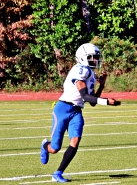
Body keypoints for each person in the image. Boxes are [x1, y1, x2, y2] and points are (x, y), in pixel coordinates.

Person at [39, 43, 121, 183]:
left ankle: (58, 173)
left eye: (96, 57)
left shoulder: (91, 74)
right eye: (92, 57)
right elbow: (85, 96)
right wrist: (107, 101)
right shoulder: (80, 70)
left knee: (75, 141)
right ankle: (45, 146)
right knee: (55, 148)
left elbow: (93, 102)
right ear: (83, 58)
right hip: (63, 109)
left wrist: (101, 85)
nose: (95, 60)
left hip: (76, 111)